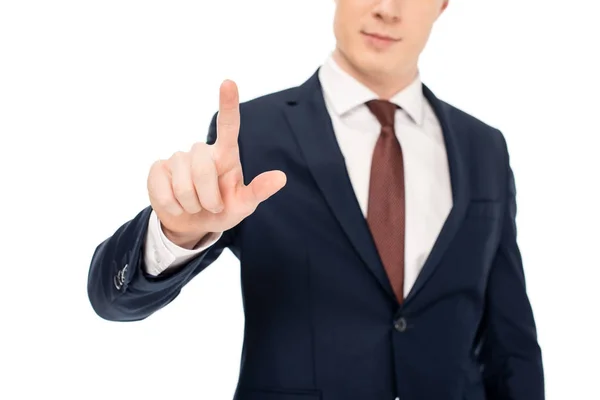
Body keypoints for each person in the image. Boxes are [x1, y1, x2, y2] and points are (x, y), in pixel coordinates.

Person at [87, 0, 544, 399]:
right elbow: (113, 300)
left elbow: (511, 341)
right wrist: (177, 233)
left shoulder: (484, 147)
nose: (387, 8)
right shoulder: (256, 135)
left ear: (443, 4)